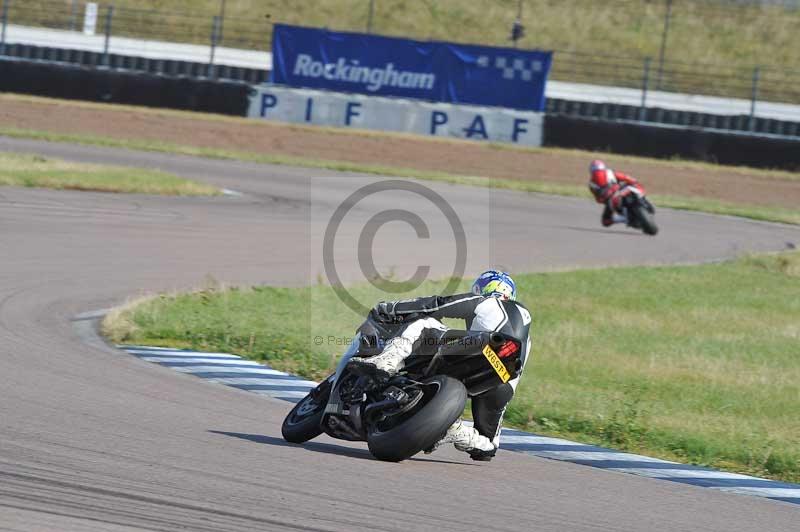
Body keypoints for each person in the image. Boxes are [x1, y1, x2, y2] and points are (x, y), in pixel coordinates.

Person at [348, 270, 532, 462]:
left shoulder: (487, 301)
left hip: (484, 346)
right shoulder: (526, 326)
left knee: (425, 322)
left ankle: (387, 362)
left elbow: (439, 304)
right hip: (505, 380)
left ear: (482, 288)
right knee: (487, 446)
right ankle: (456, 430)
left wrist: (392, 308)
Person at [587, 159, 644, 227]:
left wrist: (632, 181)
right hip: (612, 200)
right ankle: (625, 219)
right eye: (595, 170)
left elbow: (624, 177)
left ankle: (641, 198)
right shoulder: (592, 184)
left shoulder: (609, 173)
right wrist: (606, 197)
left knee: (635, 185)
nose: (598, 173)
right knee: (605, 221)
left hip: (621, 190)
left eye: (598, 169)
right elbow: (598, 199)